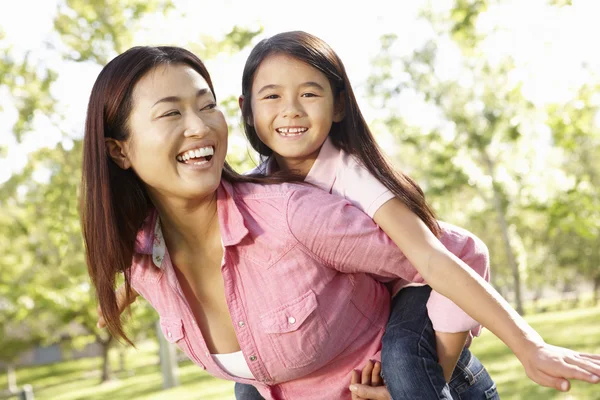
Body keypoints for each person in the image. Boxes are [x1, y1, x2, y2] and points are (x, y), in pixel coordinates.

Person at [87, 45, 599, 400]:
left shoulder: (292, 212)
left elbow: (454, 251)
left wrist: (511, 350)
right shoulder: (143, 265)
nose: (200, 126)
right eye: (170, 113)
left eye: (206, 105)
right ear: (119, 149)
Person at [233, 31, 600, 399]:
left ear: (340, 105)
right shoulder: (254, 193)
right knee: (248, 387)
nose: (292, 108)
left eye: (309, 93)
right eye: (272, 96)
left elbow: (433, 257)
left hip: (426, 282)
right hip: (378, 304)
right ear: (246, 109)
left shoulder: (353, 174)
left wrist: (527, 347)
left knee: (404, 361)